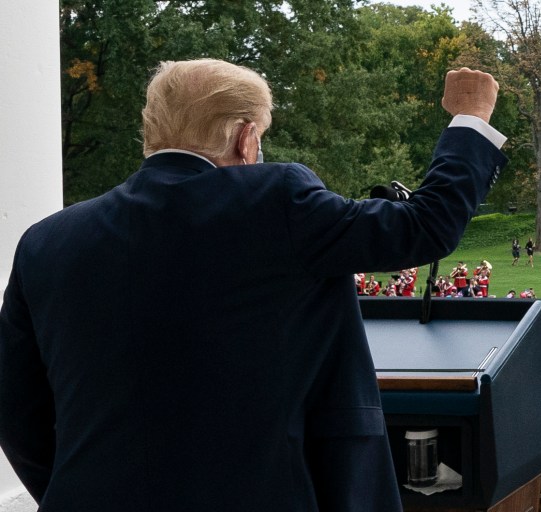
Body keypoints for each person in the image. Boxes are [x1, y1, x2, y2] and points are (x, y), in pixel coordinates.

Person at [0, 60, 507, 511]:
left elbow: (16, 410)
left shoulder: (47, 242)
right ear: (246, 138)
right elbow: (425, 226)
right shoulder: (276, 199)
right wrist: (471, 118)